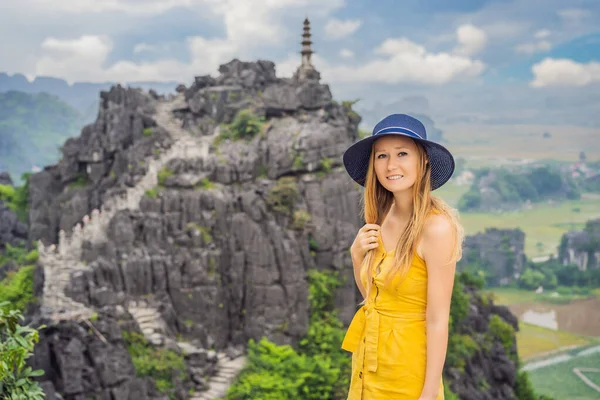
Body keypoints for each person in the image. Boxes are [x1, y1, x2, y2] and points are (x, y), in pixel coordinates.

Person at [340, 113, 464, 400]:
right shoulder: (383, 216)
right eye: (381, 155)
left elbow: (437, 319)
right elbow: (377, 301)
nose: (391, 165)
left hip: (408, 375)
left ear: (424, 161)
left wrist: (429, 393)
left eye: (402, 153)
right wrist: (357, 257)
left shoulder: (437, 229)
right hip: (367, 367)